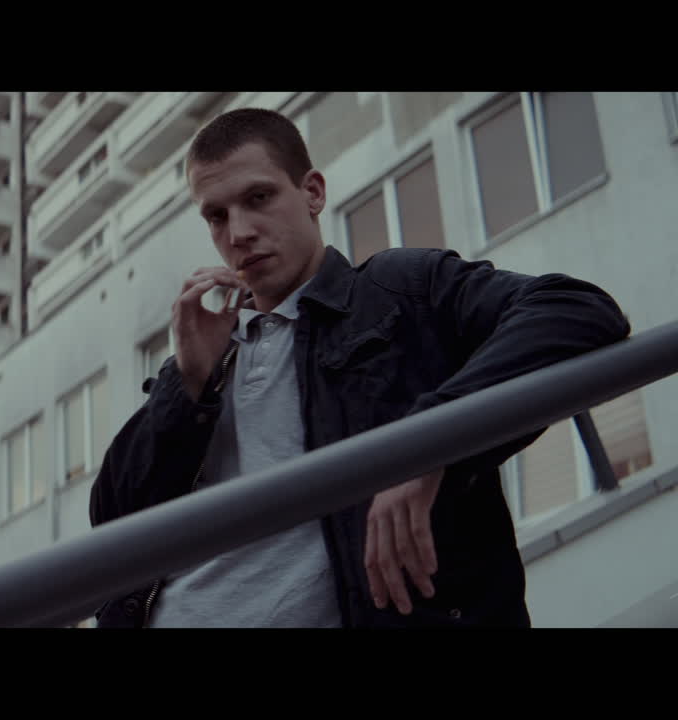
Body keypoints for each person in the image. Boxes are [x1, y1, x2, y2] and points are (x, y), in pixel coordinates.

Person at [88, 107, 630, 628]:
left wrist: (425, 444)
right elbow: (113, 522)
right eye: (216, 215)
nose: (239, 232)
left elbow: (577, 309)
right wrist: (186, 384)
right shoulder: (206, 352)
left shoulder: (397, 291)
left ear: (313, 192)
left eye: (259, 198)